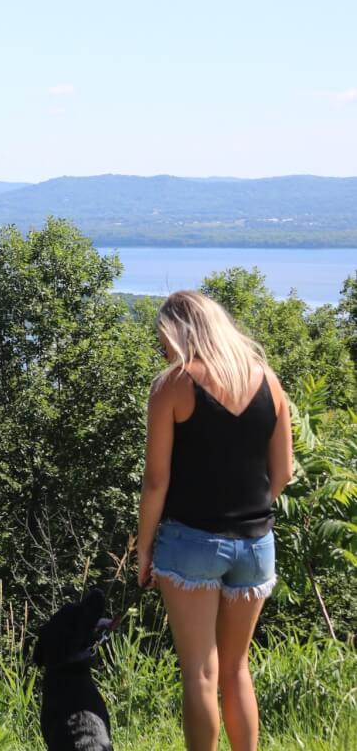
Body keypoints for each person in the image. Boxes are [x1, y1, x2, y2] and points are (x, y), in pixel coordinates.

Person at [136, 290, 294, 751]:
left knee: (200, 673)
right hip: (257, 544)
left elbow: (154, 483)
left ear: (181, 332)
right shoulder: (268, 380)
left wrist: (144, 548)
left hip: (191, 543)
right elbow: (281, 473)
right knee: (235, 668)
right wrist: (247, 511)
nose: (162, 348)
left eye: (163, 337)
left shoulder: (173, 385)